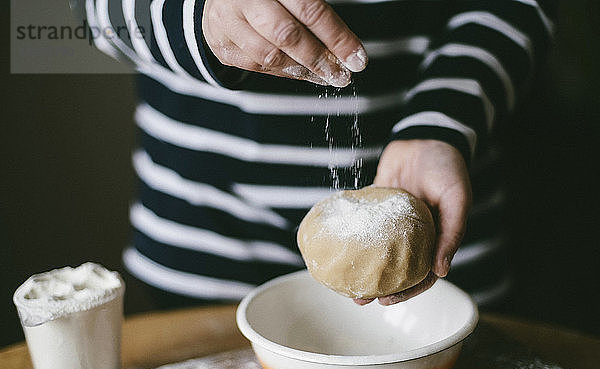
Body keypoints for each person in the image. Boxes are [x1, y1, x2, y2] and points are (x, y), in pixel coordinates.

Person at [75, 0, 555, 308]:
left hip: (432, 229)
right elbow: (93, 13)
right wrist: (199, 18)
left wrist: (443, 122)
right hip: (206, 241)